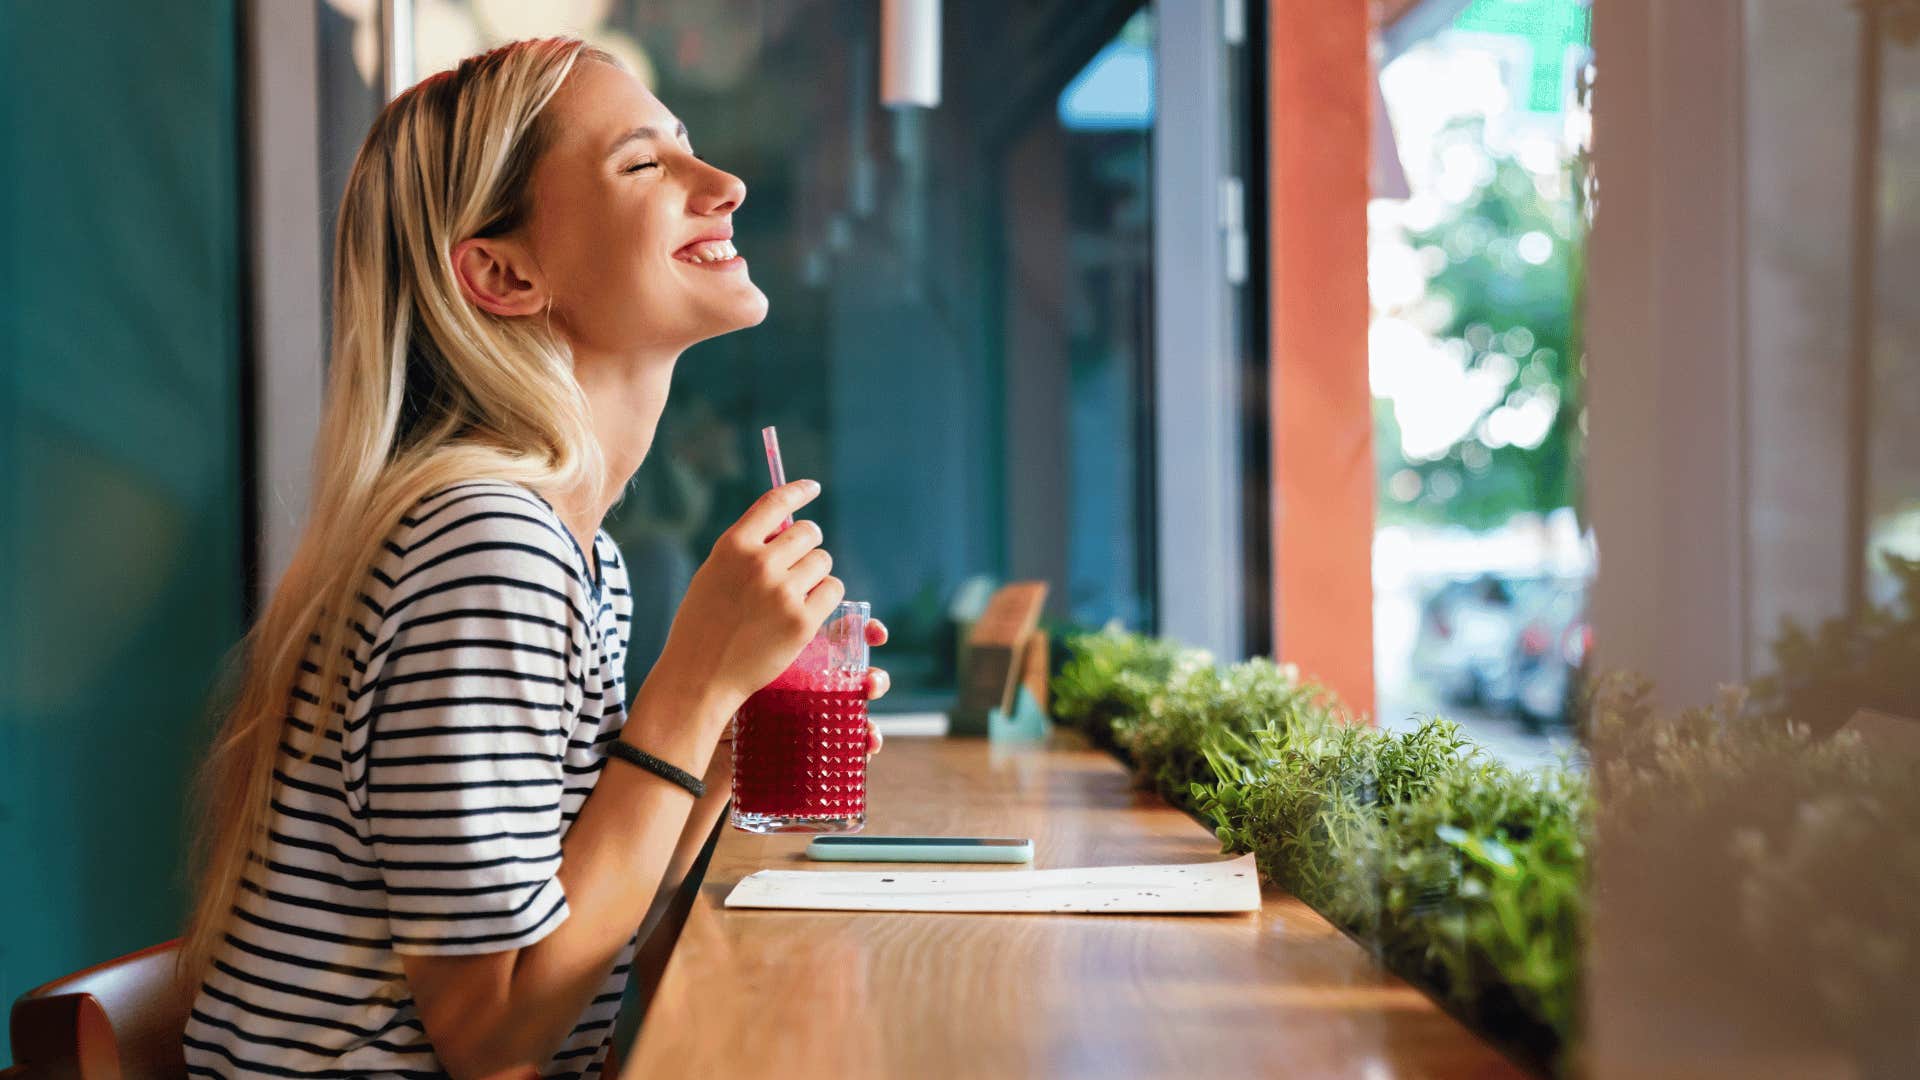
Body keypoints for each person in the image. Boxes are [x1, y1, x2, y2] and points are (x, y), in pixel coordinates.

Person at [180, 37, 888, 1078]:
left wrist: (715, 756)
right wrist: (688, 688)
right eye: (645, 164)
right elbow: (494, 1036)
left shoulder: (566, 549)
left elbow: (586, 958)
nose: (727, 184)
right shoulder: (484, 548)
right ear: (504, 272)